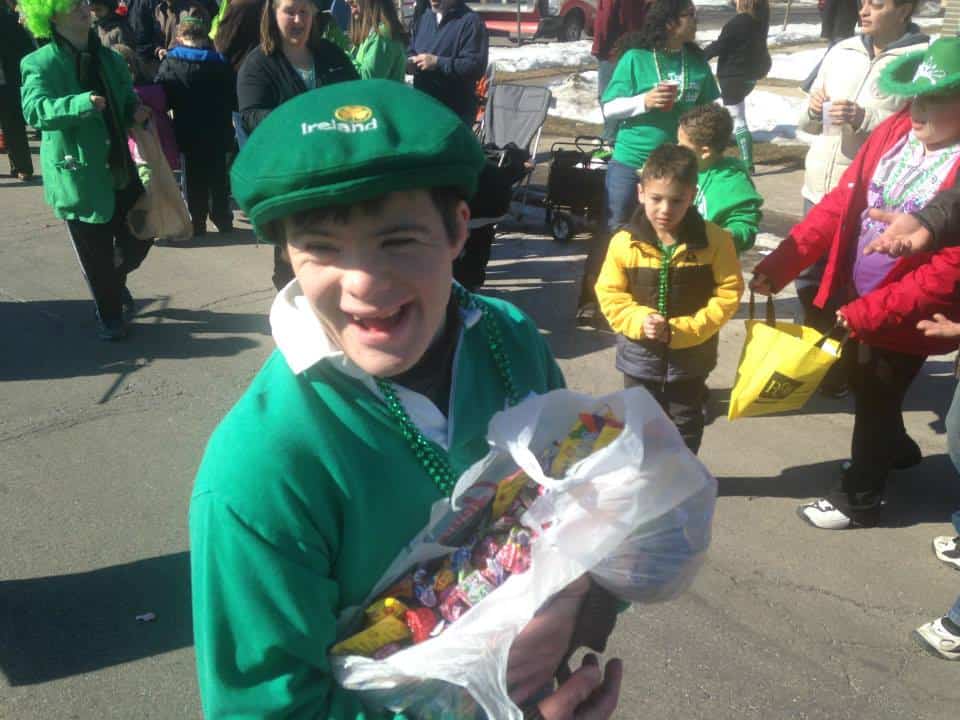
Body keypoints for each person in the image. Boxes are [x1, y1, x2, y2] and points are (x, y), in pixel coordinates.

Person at [190, 78, 624, 718]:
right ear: (287, 253)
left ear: (457, 230)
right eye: (321, 248)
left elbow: (576, 499)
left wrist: (582, 606)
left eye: (398, 240)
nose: (364, 284)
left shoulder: (509, 339)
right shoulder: (262, 470)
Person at [750, 38, 960, 530]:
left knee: (876, 393)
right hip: (859, 291)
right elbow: (842, 205)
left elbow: (948, 268)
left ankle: (860, 498)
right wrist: (783, 262)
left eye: (935, 100)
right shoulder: (894, 132)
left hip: (911, 310)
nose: (918, 109)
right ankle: (898, 449)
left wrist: (872, 310)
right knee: (870, 387)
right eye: (916, 97)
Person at [795, 0, 928, 378]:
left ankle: (846, 367)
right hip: (818, 190)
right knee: (809, 279)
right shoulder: (842, 50)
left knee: (852, 285)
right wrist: (814, 109)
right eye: (863, 2)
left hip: (869, 199)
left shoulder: (921, 58)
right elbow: (805, 121)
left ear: (904, 9)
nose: (864, 10)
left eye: (877, 3)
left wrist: (865, 117)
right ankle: (818, 360)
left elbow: (924, 129)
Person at [595, 144, 743, 453]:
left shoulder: (715, 241)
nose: (665, 209)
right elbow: (609, 292)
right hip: (639, 356)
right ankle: (643, 472)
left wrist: (687, 330)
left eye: (676, 200)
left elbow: (728, 293)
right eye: (656, 198)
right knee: (638, 421)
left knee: (686, 421)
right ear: (640, 193)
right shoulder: (624, 242)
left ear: (692, 195)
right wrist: (640, 320)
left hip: (692, 355)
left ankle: (681, 473)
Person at [20, 0, 153, 341]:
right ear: (51, 15)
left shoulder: (110, 59)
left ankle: (113, 279)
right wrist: (80, 104)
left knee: (141, 235)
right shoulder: (38, 63)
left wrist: (135, 110)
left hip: (121, 169)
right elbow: (34, 110)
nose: (83, 8)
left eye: (83, 2)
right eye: (72, 5)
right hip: (78, 176)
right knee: (96, 256)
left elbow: (125, 99)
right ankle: (109, 314)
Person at [237, 0, 357, 288]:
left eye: (304, 11)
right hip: (291, 177)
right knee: (295, 258)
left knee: (341, 252)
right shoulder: (258, 63)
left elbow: (356, 96)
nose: (298, 20)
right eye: (290, 11)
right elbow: (251, 115)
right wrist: (304, 121)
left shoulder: (331, 54)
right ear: (273, 14)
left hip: (336, 172)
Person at [600, 0, 719, 232]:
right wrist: (645, 101)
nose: (696, 20)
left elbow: (709, 111)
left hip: (674, 167)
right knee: (617, 228)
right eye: (690, 14)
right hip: (631, 161)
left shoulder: (697, 63)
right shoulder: (636, 58)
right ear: (669, 23)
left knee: (668, 231)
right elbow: (610, 108)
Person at [156, 13, 234, 235]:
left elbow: (163, 95)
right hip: (218, 126)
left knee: (192, 177)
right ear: (205, 36)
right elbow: (232, 95)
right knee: (218, 175)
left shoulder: (171, 62)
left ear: (180, 37)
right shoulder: (220, 62)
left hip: (187, 127)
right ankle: (222, 218)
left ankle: (197, 221)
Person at [678, 103, 763, 253]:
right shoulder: (683, 167)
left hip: (712, 261)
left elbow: (745, 228)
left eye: (683, 146)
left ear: (705, 152)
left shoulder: (733, 183)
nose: (677, 148)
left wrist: (719, 237)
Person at [702, 0, 771, 174]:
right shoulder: (760, 21)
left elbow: (720, 45)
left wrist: (699, 56)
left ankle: (748, 163)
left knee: (738, 119)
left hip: (733, 77)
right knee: (736, 114)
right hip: (750, 77)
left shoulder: (738, 22)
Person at [407, 0, 488, 125]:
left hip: (455, 114)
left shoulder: (471, 22)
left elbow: (475, 66)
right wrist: (410, 63)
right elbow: (412, 50)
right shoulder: (424, 17)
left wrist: (437, 63)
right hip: (424, 109)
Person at [591, 0, 650, 146]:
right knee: (633, 93)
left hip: (613, 48)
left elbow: (605, 18)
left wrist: (600, 47)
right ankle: (623, 136)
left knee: (610, 96)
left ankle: (610, 140)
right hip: (640, 45)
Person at [0, 0, 36, 181]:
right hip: (9, 79)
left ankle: (22, 167)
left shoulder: (9, 19)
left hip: (7, 79)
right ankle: (22, 167)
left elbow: (26, 49)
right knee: (13, 124)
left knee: (13, 124)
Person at [347, 0, 407, 81]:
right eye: (350, 6)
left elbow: (368, 82)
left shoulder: (382, 35)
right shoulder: (373, 33)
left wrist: (343, 58)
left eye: (353, 4)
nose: (352, 12)